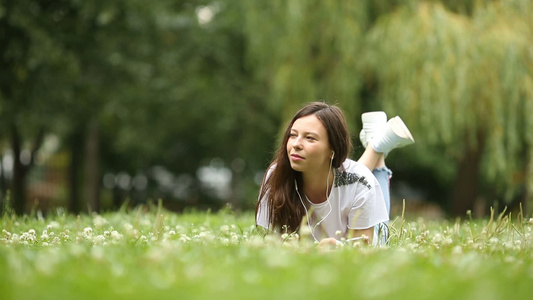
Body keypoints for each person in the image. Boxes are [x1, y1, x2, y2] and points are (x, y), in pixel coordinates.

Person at [255, 101, 414, 246]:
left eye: (310, 138)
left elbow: (365, 249)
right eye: (293, 135)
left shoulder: (361, 181)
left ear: (333, 150)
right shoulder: (276, 175)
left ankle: (376, 146)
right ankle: (376, 143)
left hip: (366, 232)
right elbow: (270, 245)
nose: (296, 144)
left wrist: (338, 249)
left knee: (363, 184)